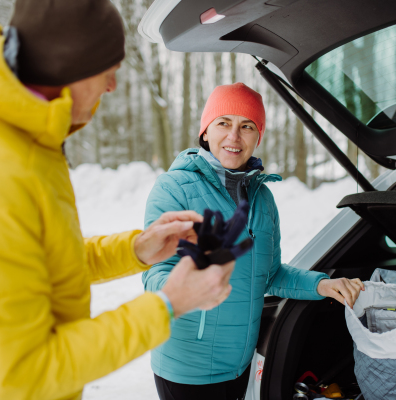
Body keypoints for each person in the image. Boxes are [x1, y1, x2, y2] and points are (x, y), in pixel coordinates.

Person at [0, 1, 235, 399]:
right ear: (70, 66)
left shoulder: (20, 133)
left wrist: (135, 249)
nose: (111, 86)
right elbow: (25, 374)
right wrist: (167, 305)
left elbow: (38, 265)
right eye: (108, 71)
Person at [143, 82, 365, 400]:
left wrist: (323, 285)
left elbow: (271, 275)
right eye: (224, 123)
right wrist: (184, 289)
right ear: (205, 132)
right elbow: (154, 272)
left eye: (246, 126)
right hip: (187, 367)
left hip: (240, 365)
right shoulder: (174, 189)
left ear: (257, 136)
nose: (234, 137)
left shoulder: (263, 199)